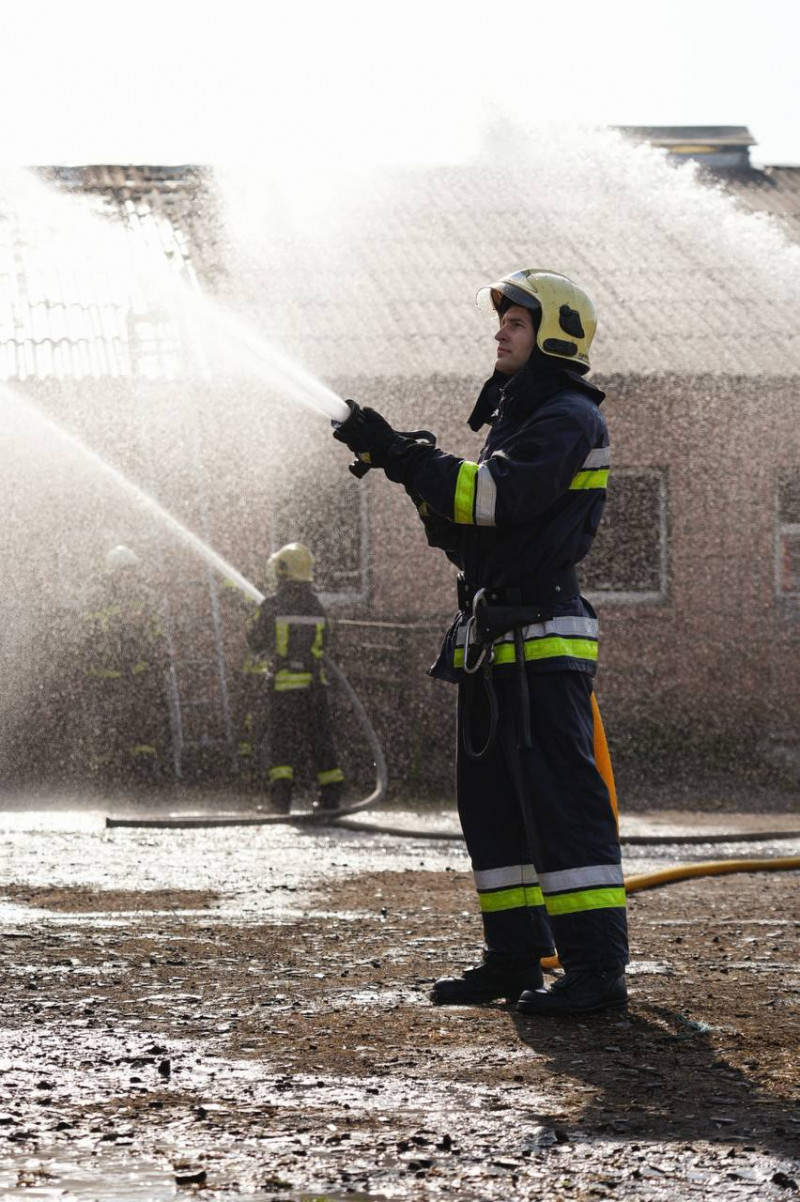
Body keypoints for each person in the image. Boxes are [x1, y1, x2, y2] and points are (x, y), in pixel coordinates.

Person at [333, 268, 628, 1016]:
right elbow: (469, 536)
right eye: (503, 321)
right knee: (493, 814)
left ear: (554, 335)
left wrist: (406, 456)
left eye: (517, 322)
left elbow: (493, 497)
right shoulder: (519, 418)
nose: (500, 332)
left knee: (561, 810)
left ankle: (596, 975)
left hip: (541, 643)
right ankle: (513, 959)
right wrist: (404, 469)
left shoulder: (566, 418)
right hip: (493, 645)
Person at [245, 542, 345, 813]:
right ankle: (331, 799)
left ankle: (280, 801)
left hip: (284, 687)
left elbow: (255, 641)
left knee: (282, 743)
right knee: (320, 741)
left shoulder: (271, 606)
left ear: (282, 571)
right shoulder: (316, 606)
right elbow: (325, 642)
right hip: (315, 687)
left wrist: (253, 620)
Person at [79, 545, 172, 790]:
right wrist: (121, 623)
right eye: (123, 572)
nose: (128, 577)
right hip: (105, 677)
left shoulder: (145, 596)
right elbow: (88, 632)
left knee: (142, 725)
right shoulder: (96, 597)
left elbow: (157, 629)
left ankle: (144, 778)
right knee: (105, 729)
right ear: (111, 573)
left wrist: (161, 650)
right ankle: (104, 782)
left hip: (139, 673)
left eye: (131, 571)